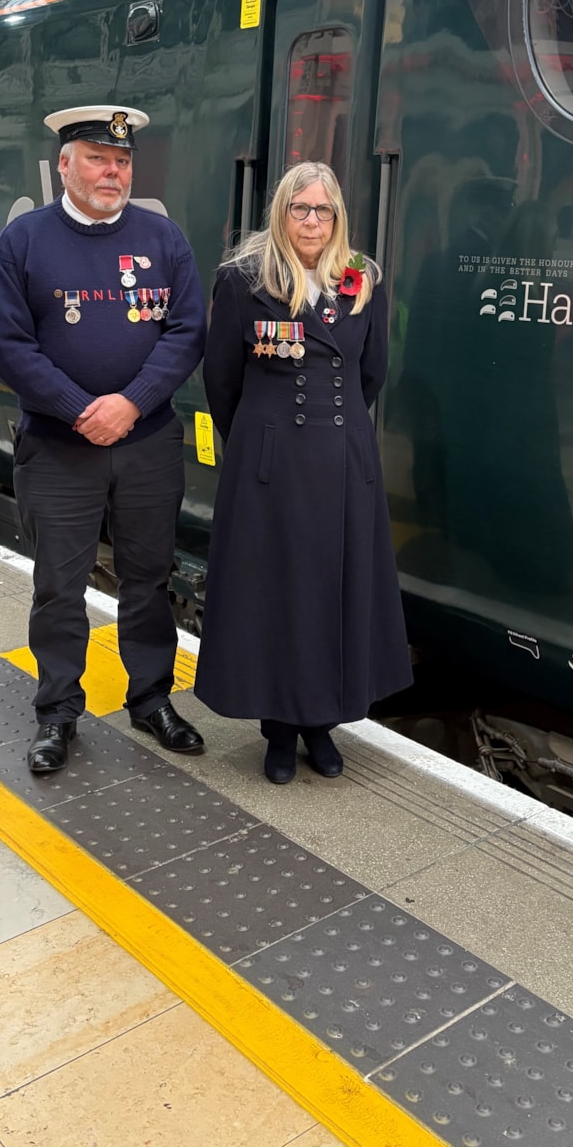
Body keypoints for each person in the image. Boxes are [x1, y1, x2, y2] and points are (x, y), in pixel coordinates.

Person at [0, 105, 206, 774]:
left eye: (123, 161)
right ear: (64, 166)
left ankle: (151, 700)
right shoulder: (24, 240)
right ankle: (57, 714)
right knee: (59, 585)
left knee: (147, 577)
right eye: (99, 159)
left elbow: (186, 331)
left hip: (147, 444)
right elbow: (6, 343)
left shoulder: (163, 238)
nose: (113, 172)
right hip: (58, 448)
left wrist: (130, 404)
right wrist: (80, 409)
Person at [195, 161, 412, 783]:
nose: (312, 222)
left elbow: (372, 372)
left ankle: (322, 724)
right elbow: (222, 381)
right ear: (281, 214)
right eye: (300, 209)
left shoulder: (360, 278)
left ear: (338, 217)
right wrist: (261, 445)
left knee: (332, 590)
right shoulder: (244, 279)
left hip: (344, 460)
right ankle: (279, 731)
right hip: (270, 465)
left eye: (323, 211)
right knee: (277, 594)